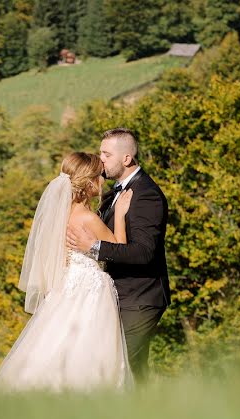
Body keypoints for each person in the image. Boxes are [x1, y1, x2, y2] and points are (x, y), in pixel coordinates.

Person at [0, 152, 134, 392]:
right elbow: (119, 249)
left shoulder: (61, 216)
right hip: (91, 289)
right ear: (90, 182)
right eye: (100, 176)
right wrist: (120, 214)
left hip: (66, 286)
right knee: (91, 347)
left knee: (55, 341)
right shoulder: (87, 218)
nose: (103, 180)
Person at [67, 128, 170, 383]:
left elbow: (144, 252)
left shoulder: (146, 195)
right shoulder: (114, 192)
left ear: (126, 159)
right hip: (113, 296)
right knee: (118, 370)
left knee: (127, 369)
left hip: (139, 298)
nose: (100, 159)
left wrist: (94, 247)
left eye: (106, 154)